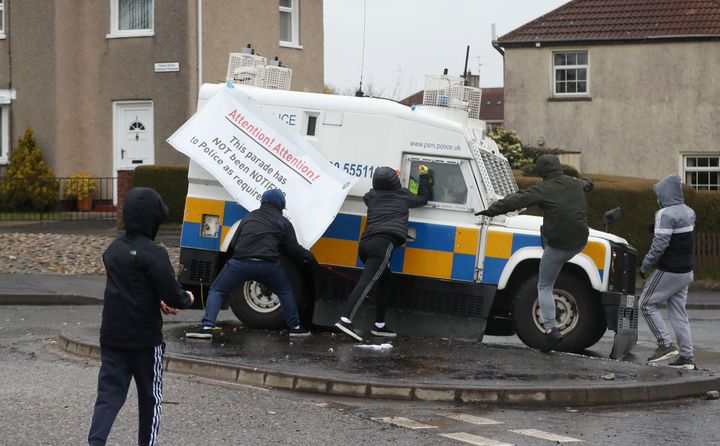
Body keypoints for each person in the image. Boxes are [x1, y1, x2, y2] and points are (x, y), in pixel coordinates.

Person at [88, 187, 195, 446]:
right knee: (150, 397)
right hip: (146, 341)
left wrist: (156, 299)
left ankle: (96, 441)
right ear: (153, 219)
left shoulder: (113, 250)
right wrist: (186, 298)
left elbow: (131, 283)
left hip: (113, 336)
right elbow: (174, 295)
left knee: (109, 395)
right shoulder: (154, 254)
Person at [475, 155, 593, 352]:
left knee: (545, 285)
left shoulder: (543, 189)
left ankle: (550, 330)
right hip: (580, 242)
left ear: (541, 173)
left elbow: (516, 200)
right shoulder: (574, 183)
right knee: (550, 240)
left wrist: (490, 211)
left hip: (559, 246)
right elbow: (585, 184)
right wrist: (588, 184)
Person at [186, 188, 315, 339]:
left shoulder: (248, 217)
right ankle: (295, 328)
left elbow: (234, 243)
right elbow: (293, 249)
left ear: (262, 202)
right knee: (285, 291)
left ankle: (207, 327)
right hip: (268, 266)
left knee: (217, 290)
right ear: (280, 205)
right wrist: (310, 258)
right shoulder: (283, 222)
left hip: (240, 263)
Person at [335, 165, 431, 341]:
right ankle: (345, 319)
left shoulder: (371, 197)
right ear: (395, 182)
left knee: (385, 281)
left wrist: (386, 181)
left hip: (364, 246)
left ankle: (379, 325)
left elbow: (374, 191)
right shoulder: (402, 196)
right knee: (367, 282)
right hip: (382, 244)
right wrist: (424, 175)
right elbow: (423, 198)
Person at [640, 174, 696, 369]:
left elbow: (660, 244)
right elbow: (678, 235)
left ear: (665, 193)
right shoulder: (689, 212)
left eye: (659, 194)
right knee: (678, 312)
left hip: (669, 269)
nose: (658, 198)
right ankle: (687, 357)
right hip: (686, 271)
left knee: (646, 303)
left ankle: (664, 345)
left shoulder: (664, 214)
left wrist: (645, 265)